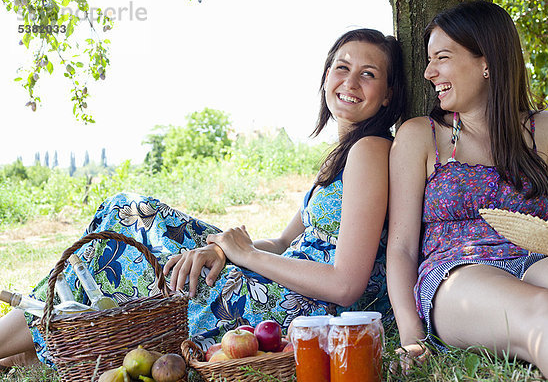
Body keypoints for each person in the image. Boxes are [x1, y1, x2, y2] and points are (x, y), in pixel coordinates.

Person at [0, 27, 408, 367]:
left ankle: (44, 335)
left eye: (369, 74)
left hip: (306, 312)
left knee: (128, 216)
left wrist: (246, 257)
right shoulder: (344, 156)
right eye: (342, 67)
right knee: (143, 235)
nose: (350, 83)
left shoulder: (370, 150)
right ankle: (49, 338)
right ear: (325, 77)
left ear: (388, 94)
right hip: (285, 284)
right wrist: (222, 251)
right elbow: (284, 243)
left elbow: (346, 284)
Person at [386, 0, 548, 382]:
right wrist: (411, 335)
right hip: (457, 274)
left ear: (487, 62)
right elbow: (402, 248)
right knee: (544, 309)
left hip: (536, 259)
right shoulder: (421, 136)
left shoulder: (545, 129)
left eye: (442, 58)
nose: (428, 72)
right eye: (429, 60)